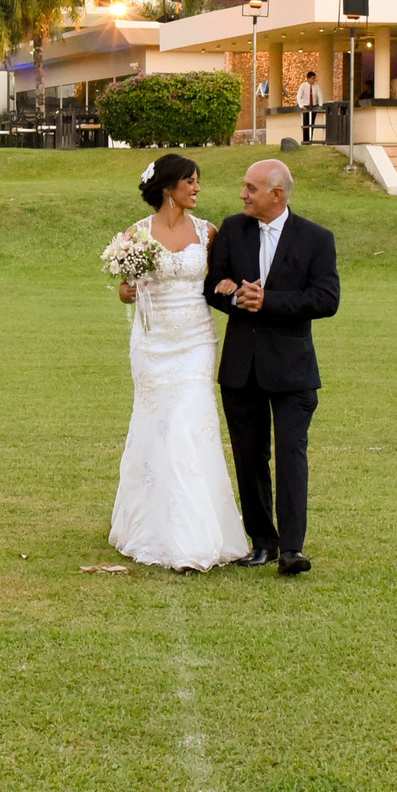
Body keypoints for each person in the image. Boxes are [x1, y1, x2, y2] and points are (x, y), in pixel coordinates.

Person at [109, 154, 247, 571]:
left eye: (197, 181)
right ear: (168, 187)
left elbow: (220, 276)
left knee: (190, 422)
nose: (197, 188)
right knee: (156, 425)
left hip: (196, 340)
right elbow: (125, 288)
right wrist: (126, 292)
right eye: (190, 182)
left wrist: (228, 282)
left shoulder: (208, 232)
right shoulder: (137, 234)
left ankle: (194, 535)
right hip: (152, 344)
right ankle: (153, 526)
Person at [204, 159, 340, 576]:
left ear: (276, 194)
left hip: (293, 370)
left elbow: (326, 299)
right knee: (249, 458)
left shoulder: (317, 238)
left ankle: (292, 549)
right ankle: (263, 542)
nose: (242, 194)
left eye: (251, 188)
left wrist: (269, 301)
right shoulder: (232, 229)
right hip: (241, 368)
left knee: (291, 456)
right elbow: (212, 285)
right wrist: (233, 295)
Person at [294, 70, 322, 142]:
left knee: (312, 123)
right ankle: (305, 140)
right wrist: (301, 106)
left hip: (313, 106)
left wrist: (320, 105)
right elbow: (299, 96)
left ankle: (310, 139)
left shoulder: (316, 86)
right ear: (308, 78)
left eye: (314, 78)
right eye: (312, 78)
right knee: (306, 124)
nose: (314, 80)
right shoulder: (303, 86)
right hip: (306, 107)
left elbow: (319, 95)